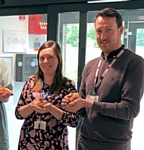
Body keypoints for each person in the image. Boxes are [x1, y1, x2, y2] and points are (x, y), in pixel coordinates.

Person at [62, 8, 144, 150]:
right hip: (84, 141)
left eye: (109, 30)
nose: (103, 36)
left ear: (121, 30)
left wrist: (90, 104)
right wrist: (73, 104)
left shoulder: (134, 63)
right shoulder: (90, 65)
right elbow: (82, 111)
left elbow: (129, 109)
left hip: (114, 145)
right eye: (99, 31)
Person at [15, 40, 79, 150]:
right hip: (29, 142)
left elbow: (74, 121)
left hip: (55, 143)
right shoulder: (31, 82)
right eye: (42, 58)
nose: (45, 61)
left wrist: (51, 109)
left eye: (50, 57)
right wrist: (31, 106)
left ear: (58, 59)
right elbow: (18, 113)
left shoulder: (67, 85)